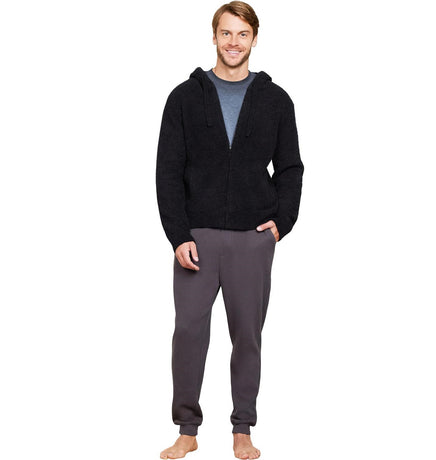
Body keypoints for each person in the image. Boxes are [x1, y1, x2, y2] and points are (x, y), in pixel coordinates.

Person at [156, 2, 303, 458]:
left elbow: (291, 168)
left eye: (242, 34)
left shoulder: (276, 100)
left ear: (254, 38)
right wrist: (178, 234)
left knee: (248, 336)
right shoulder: (184, 97)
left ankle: (243, 428)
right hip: (196, 238)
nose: (233, 42)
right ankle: (187, 429)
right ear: (214, 37)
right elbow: (167, 171)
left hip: (252, 238)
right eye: (226, 33)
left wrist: (281, 222)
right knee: (188, 333)